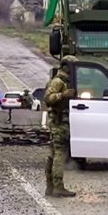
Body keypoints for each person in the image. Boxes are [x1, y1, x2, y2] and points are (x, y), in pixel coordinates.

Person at [44, 56, 77, 198]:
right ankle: (57, 186)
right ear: (66, 67)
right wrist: (62, 95)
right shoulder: (58, 82)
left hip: (60, 122)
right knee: (59, 154)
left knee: (54, 154)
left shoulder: (67, 81)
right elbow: (48, 99)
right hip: (58, 122)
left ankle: (50, 187)